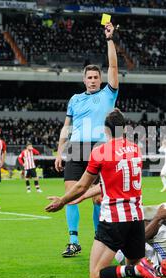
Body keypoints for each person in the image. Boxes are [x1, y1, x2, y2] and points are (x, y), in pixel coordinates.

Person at [46, 109, 166, 278]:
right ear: (124, 129)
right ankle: (152, 269)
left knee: (96, 273)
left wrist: (63, 201)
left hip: (114, 220)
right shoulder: (136, 150)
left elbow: (81, 184)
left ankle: (137, 269)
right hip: (136, 218)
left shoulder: (100, 152)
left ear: (105, 130)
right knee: (132, 264)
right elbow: (112, 180)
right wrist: (84, 196)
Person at [53, 22, 119, 257]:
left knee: (98, 198)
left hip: (100, 149)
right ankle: (73, 241)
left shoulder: (108, 94)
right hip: (76, 149)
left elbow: (112, 65)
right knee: (71, 197)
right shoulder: (75, 99)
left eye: (96, 77)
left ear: (101, 79)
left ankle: (97, 238)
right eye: (89, 77)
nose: (92, 80)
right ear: (84, 79)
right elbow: (66, 126)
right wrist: (60, 150)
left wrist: (110, 39)